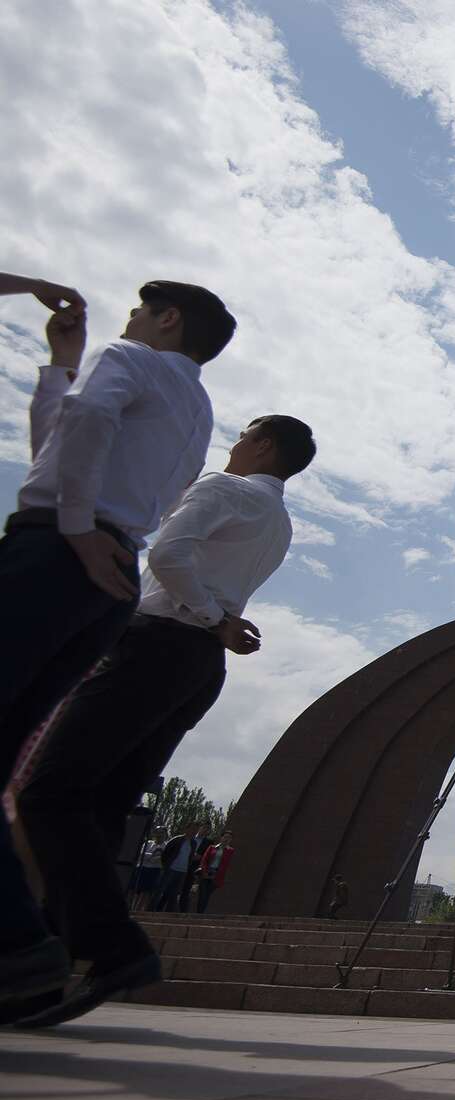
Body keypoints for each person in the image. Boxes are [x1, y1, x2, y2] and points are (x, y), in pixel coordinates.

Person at [13, 411, 310, 1025]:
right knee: (98, 808)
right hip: (197, 665)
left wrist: (210, 616)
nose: (234, 442)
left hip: (158, 643)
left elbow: (171, 554)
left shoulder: (223, 489)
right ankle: (48, 969)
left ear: (264, 444)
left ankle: (107, 948)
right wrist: (216, 621)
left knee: (49, 791)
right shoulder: (278, 521)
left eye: (245, 433)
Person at [0, 282, 230, 1004]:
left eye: (138, 310)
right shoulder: (197, 410)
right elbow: (63, 445)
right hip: (112, 573)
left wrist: (71, 525)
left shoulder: (129, 355)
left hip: (57, 553)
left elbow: (84, 429)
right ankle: (45, 949)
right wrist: (59, 368)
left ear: (166, 319)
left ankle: (19, 946)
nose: (126, 321)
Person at [154, 823, 204, 913]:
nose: (194, 831)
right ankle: (151, 910)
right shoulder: (177, 840)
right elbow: (165, 853)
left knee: (174, 894)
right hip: (171, 869)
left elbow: (190, 856)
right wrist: (166, 866)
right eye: (192, 829)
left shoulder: (193, 843)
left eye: (196, 830)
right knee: (160, 891)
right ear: (187, 829)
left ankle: (168, 913)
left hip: (182, 871)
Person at [194, 832, 234, 914]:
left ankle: (200, 913)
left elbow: (226, 864)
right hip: (206, 873)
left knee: (207, 895)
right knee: (203, 895)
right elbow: (204, 860)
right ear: (221, 838)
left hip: (216, 876)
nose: (226, 839)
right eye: (225, 837)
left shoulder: (230, 851)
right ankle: (199, 913)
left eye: (229, 838)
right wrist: (204, 872)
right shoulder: (212, 848)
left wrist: (218, 875)